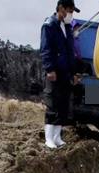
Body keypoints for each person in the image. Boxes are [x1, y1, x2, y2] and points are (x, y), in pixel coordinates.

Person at [40, 0, 80, 148]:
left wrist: (73, 72)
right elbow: (45, 49)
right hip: (54, 72)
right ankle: (48, 138)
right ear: (61, 8)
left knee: (63, 105)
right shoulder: (49, 26)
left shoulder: (68, 28)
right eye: (70, 10)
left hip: (66, 73)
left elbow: (71, 53)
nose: (71, 14)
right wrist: (49, 69)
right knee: (52, 104)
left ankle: (57, 137)